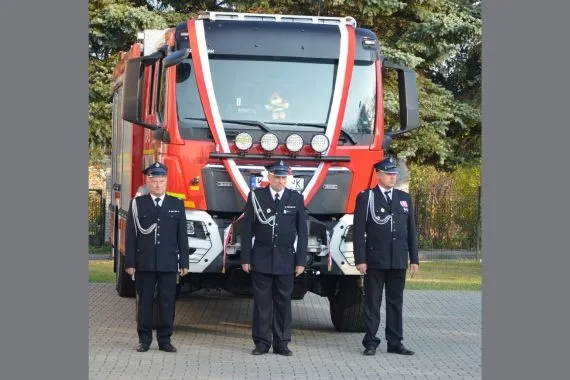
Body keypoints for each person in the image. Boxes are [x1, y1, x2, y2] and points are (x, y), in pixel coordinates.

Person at [353, 156, 420, 356]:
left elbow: (411, 231)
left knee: (395, 303)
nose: (393, 177)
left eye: (394, 174)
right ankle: (371, 341)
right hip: (375, 260)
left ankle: (395, 341)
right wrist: (360, 259)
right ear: (378, 174)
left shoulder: (404, 198)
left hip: (398, 260)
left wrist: (414, 259)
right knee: (372, 303)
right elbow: (358, 231)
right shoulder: (367, 197)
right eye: (389, 174)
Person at [240, 160, 308, 356]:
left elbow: (303, 232)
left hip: (286, 258)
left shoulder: (295, 198)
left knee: (283, 303)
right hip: (261, 257)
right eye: (277, 177)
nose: (280, 181)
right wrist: (246, 258)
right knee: (262, 304)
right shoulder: (256, 196)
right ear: (268, 177)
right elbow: (247, 230)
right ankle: (262, 343)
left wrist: (301, 261)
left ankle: (282, 343)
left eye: (283, 177)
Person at [124, 162, 190, 353]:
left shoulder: (176, 204)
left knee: (167, 302)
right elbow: (131, 235)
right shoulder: (138, 204)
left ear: (166, 182)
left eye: (162, 181)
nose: (158, 185)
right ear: (148, 182)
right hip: (144, 263)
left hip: (168, 263)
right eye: (154, 181)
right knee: (144, 302)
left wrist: (184, 262)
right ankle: (144, 340)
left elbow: (182, 237)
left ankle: (165, 339)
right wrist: (130, 262)